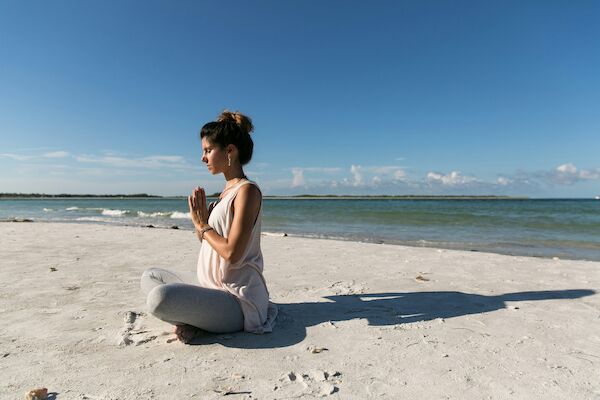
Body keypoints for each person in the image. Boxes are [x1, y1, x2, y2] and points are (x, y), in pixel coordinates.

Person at [140, 110, 277, 343]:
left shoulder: (247, 191)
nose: (203, 158)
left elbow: (232, 254)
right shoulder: (224, 194)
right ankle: (196, 320)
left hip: (236, 299)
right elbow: (209, 242)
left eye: (208, 150)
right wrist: (199, 223)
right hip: (211, 287)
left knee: (159, 300)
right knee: (151, 275)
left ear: (230, 151)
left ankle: (197, 322)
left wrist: (203, 225)